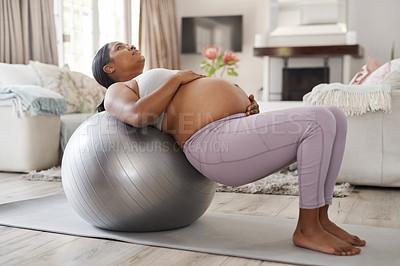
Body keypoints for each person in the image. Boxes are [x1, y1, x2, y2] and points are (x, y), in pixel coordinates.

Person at [92, 42, 366, 256]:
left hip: (232, 127)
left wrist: (241, 106)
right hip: (211, 142)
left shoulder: (151, 79)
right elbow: (139, 115)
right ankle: (306, 229)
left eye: (128, 43)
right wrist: (177, 79)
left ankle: (321, 218)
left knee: (334, 115)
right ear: (109, 69)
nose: (130, 46)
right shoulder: (117, 89)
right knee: (317, 120)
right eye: (120, 48)